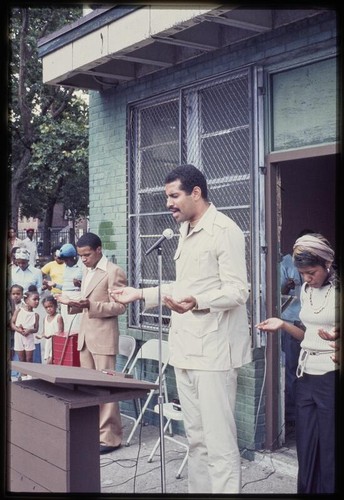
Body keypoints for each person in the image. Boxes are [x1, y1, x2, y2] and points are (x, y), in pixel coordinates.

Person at [110, 164, 252, 494]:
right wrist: (140, 294)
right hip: (186, 350)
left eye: (174, 196)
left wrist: (197, 300)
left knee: (219, 444)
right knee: (197, 440)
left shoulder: (224, 230)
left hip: (215, 353)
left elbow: (238, 290)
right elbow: (183, 285)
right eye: (167, 197)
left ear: (196, 193)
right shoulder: (186, 231)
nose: (168, 203)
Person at [256, 233, 339, 494]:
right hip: (306, 374)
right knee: (306, 443)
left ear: (327, 264)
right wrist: (283, 324)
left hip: (330, 375)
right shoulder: (305, 290)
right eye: (303, 273)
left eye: (311, 272)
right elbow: (307, 335)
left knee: (330, 445)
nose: (306, 278)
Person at [56, 232, 127, 455]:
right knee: (88, 388)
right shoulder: (87, 270)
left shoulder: (113, 271)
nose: (83, 259)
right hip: (86, 336)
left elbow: (120, 307)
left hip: (104, 337)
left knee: (105, 389)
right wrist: (71, 302)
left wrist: (91, 305)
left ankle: (110, 438)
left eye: (87, 255)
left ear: (99, 250)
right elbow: (87, 303)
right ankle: (93, 433)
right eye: (80, 255)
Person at [280, 229, 313, 425]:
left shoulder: (319, 266)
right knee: (293, 369)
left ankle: (308, 409)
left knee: (311, 369)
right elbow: (277, 293)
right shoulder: (286, 263)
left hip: (311, 323)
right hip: (291, 322)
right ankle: (293, 414)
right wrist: (287, 286)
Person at [46, 243, 83, 333]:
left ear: (73, 257)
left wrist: (79, 284)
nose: (65, 262)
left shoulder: (81, 267)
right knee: (66, 324)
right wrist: (55, 285)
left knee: (75, 325)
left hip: (76, 297)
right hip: (65, 298)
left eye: (67, 260)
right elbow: (65, 287)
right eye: (64, 260)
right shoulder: (66, 267)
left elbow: (86, 286)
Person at [11, 289, 40, 379]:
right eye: (34, 299)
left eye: (38, 299)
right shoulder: (19, 311)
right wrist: (19, 330)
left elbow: (36, 329)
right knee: (21, 359)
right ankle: (23, 378)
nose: (37, 301)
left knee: (29, 359)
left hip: (29, 337)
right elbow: (12, 323)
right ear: (27, 300)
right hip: (19, 336)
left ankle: (29, 377)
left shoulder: (35, 315)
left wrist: (29, 331)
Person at [36, 295, 64, 364]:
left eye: (50, 306)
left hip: (56, 343)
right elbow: (44, 332)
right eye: (46, 307)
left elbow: (60, 332)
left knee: (49, 362)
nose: (49, 309)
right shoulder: (45, 318)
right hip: (48, 343)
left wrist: (51, 335)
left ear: (56, 306)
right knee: (49, 361)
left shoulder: (58, 317)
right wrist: (40, 336)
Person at [7, 284, 24, 380]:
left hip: (19, 333)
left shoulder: (24, 305)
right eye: (13, 294)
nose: (15, 296)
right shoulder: (8, 304)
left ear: (22, 294)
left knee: (19, 352)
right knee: (10, 351)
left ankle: (19, 374)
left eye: (18, 293)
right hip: (11, 332)